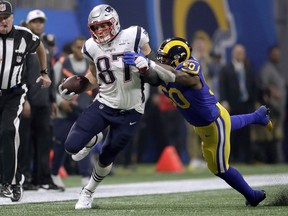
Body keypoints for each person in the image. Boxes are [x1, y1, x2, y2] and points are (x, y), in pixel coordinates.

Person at [123, 37, 272, 207]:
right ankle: (257, 117)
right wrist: (143, 62)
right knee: (228, 124)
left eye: (165, 57)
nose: (161, 60)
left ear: (178, 58)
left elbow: (182, 77)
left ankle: (252, 196)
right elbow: (154, 74)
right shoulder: (166, 67)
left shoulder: (189, 67)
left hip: (214, 123)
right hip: (205, 121)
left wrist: (150, 64)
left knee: (220, 168)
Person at [58, 4, 157, 209]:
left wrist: (146, 64)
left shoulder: (134, 35)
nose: (100, 31)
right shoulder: (90, 47)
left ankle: (88, 192)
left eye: (104, 26)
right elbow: (95, 76)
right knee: (71, 147)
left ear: (114, 22)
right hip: (104, 103)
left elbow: (157, 66)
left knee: (106, 157)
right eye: (96, 27)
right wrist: (77, 87)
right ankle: (94, 137)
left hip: (132, 110)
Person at [0, 1, 51, 202]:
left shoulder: (24, 35)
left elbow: (40, 47)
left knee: (8, 131)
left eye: (6, 17)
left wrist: (44, 72)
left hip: (14, 93)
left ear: (12, 17)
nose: (3, 22)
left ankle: (11, 182)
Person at [51, 36, 101, 190]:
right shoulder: (61, 63)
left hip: (83, 108)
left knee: (83, 140)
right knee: (60, 144)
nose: (80, 51)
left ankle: (86, 175)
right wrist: (61, 102)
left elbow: (99, 85)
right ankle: (54, 173)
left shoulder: (92, 63)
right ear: (72, 48)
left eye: (82, 47)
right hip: (65, 111)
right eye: (77, 47)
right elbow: (52, 86)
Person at [17, 9, 59, 190]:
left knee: (44, 141)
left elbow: (49, 73)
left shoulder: (44, 46)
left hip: (43, 102)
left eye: (41, 21)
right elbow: (18, 74)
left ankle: (42, 178)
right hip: (27, 102)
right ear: (27, 24)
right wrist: (23, 98)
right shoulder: (21, 44)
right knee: (24, 143)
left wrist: (52, 99)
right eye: (35, 22)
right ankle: (23, 178)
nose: (39, 24)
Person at [219, 44, 259, 163]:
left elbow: (254, 86)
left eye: (241, 53)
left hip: (246, 104)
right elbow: (223, 86)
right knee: (233, 133)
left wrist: (255, 101)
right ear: (233, 53)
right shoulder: (226, 68)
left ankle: (247, 159)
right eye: (237, 52)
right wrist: (224, 101)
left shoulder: (248, 67)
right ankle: (233, 158)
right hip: (232, 104)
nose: (239, 55)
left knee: (246, 133)